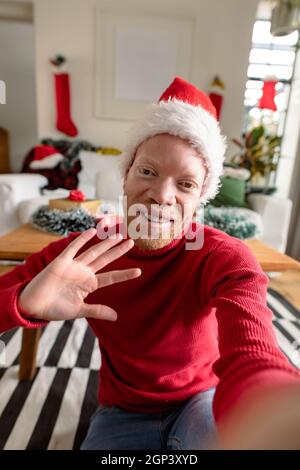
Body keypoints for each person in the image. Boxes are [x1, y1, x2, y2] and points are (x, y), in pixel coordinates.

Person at [0, 77, 299, 450]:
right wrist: (23, 302)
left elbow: (252, 349)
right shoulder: (80, 254)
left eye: (186, 184)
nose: (161, 196)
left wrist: (270, 406)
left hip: (200, 401)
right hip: (121, 411)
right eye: (148, 172)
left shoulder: (222, 255)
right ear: (124, 177)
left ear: (201, 196)